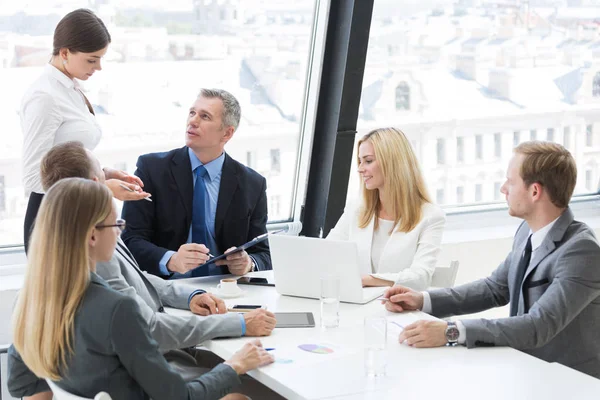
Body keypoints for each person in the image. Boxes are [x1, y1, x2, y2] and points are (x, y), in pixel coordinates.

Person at [26, 141, 282, 399]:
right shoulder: (113, 304)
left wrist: (190, 296)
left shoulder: (42, 284)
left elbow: (20, 383)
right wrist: (235, 357)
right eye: (116, 224)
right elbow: (178, 391)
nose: (121, 229)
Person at [382, 141, 600, 379]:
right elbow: (494, 288)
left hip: (569, 383)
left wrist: (450, 332)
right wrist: (422, 301)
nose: (503, 189)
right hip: (524, 369)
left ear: (534, 191)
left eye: (511, 181)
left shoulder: (581, 252)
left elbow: (539, 325)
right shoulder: (527, 232)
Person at [21, 8, 149, 252]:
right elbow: (33, 177)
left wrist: (103, 173)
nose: (99, 67)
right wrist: (99, 187)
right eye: (92, 59)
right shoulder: (44, 97)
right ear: (65, 53)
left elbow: (62, 160)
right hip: (51, 219)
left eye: (101, 58)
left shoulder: (70, 88)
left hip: (76, 213)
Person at [122, 89, 271, 279]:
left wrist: (248, 263)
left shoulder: (253, 184)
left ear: (227, 133)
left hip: (226, 290)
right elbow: (130, 240)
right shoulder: (152, 169)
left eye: (205, 116)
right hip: (167, 289)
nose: (193, 121)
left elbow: (264, 253)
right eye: (192, 113)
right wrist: (171, 259)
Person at [327, 127, 445, 290]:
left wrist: (366, 280)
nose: (360, 168)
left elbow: (420, 277)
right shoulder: (357, 209)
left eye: (368, 161)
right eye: (360, 161)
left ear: (393, 163)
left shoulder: (430, 216)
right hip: (359, 306)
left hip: (399, 310)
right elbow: (327, 253)